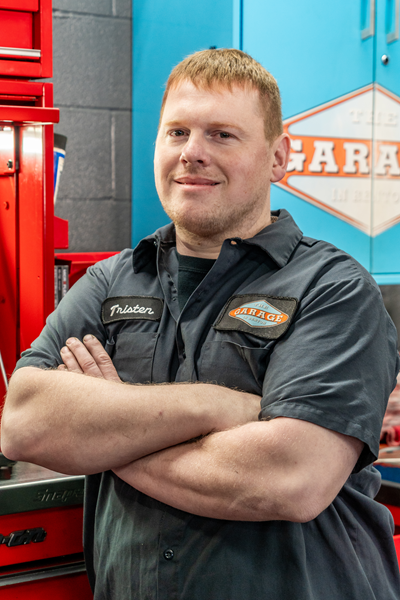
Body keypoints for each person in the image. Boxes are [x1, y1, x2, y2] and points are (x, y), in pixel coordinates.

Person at [2, 49, 400, 600]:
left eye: (221, 135)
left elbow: (288, 479)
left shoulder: (332, 289)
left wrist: (106, 430)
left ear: (278, 158)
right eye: (177, 132)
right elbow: (24, 421)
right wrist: (216, 407)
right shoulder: (111, 281)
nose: (192, 153)